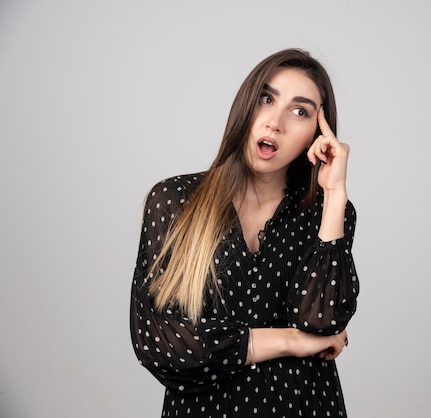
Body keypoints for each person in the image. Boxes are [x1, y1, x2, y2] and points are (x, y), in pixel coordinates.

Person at [129, 48, 360, 417]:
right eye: (266, 99)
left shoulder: (329, 214)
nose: (275, 122)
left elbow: (323, 320)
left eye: (299, 111)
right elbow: (165, 344)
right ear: (245, 105)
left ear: (317, 134)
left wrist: (333, 194)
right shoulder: (174, 202)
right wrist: (293, 341)